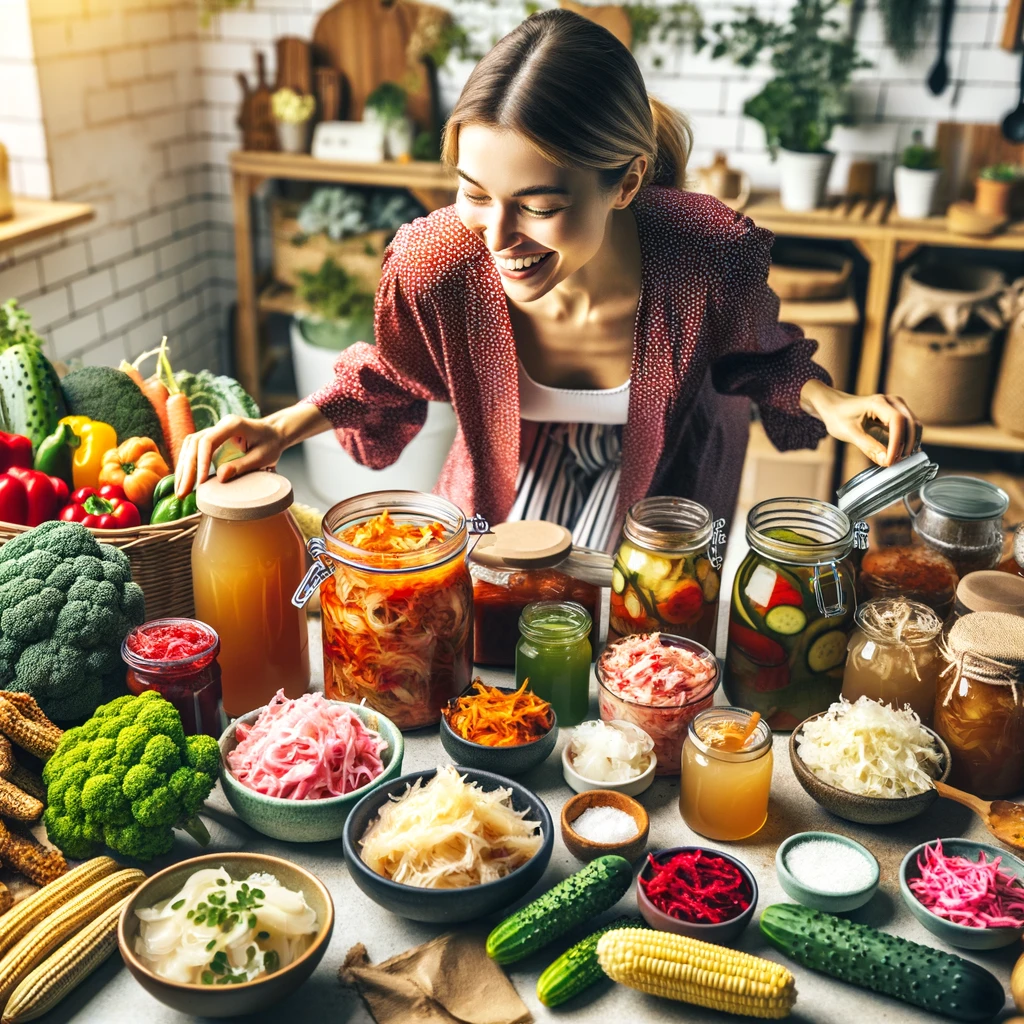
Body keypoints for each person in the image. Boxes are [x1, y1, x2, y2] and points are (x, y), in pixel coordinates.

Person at [176, 9, 919, 548]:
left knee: (644, 628)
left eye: (539, 205)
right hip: (517, 450)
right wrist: (282, 426)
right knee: (492, 594)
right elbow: (396, 372)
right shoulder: (436, 263)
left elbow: (756, 356)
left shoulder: (706, 255)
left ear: (626, 182)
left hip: (669, 457)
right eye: (473, 192)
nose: (498, 239)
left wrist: (835, 405)